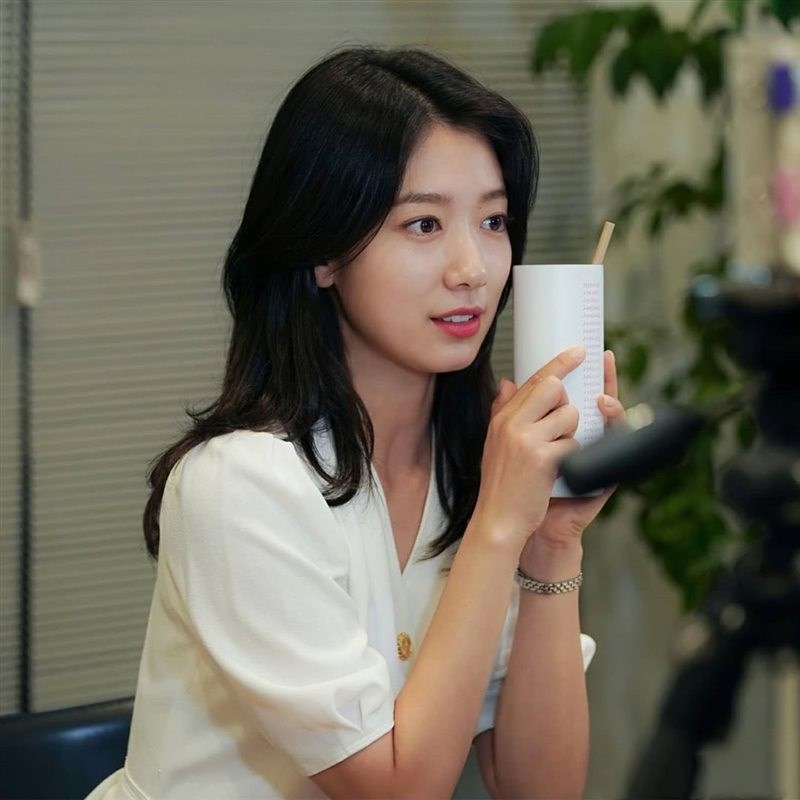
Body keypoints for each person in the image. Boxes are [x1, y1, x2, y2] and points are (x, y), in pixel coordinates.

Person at [87, 45, 623, 800]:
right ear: (324, 252)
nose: (472, 267)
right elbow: (398, 790)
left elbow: (539, 790)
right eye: (423, 224)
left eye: (494, 219)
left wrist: (550, 541)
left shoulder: (472, 465)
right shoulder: (240, 484)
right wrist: (500, 524)